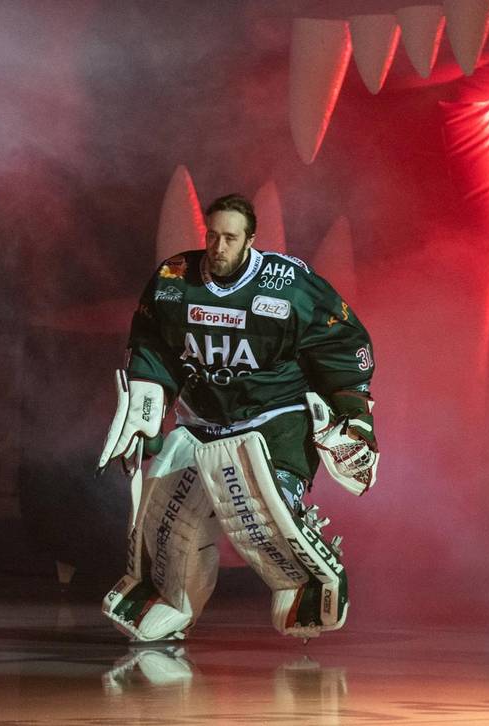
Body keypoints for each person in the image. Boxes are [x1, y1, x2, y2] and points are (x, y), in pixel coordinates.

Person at [96, 193, 378, 641]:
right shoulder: (174, 279)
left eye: (230, 237)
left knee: (261, 508)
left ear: (250, 239)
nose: (218, 247)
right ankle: (166, 599)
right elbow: (150, 340)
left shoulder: (289, 286)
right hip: (201, 418)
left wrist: (353, 413)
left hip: (274, 418)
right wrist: (146, 407)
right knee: (165, 518)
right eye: (212, 236)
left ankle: (313, 583)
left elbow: (343, 343)